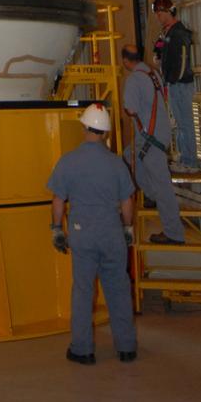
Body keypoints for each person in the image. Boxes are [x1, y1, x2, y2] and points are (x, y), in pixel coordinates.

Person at [47, 102, 137, 366]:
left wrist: (56, 230)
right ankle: (127, 347)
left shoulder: (68, 161)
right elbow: (127, 201)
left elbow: (58, 200)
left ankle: (82, 350)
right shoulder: (116, 163)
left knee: (83, 291)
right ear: (105, 132)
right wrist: (127, 228)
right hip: (112, 234)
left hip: (82, 234)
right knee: (119, 290)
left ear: (84, 127)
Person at [121, 45, 185, 246]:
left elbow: (131, 109)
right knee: (129, 155)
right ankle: (150, 194)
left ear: (125, 60)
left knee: (162, 186)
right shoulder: (153, 73)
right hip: (159, 133)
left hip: (150, 138)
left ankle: (174, 233)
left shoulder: (134, 80)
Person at [152, 0, 198, 168]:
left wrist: (173, 79)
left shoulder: (179, 33)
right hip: (174, 84)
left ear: (168, 12)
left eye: (159, 13)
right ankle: (185, 157)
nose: (157, 17)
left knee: (184, 122)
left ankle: (190, 161)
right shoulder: (168, 33)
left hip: (179, 84)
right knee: (180, 122)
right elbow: (157, 48)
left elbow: (182, 60)